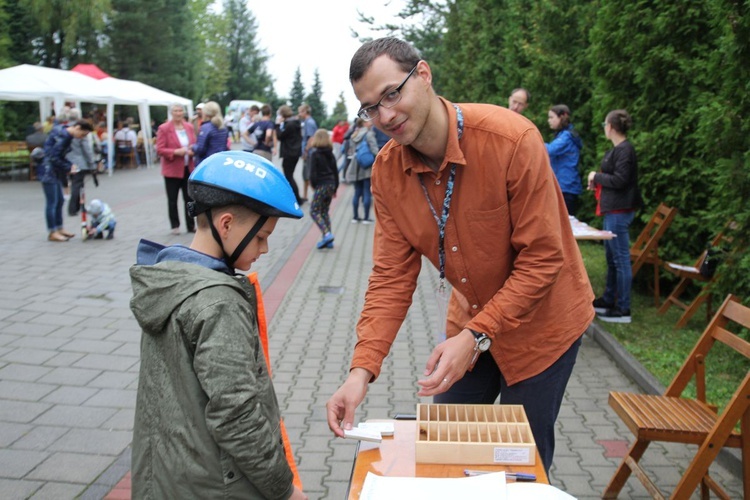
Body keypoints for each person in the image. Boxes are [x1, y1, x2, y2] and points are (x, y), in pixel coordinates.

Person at [325, 37, 594, 475]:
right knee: (445, 447)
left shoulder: (511, 139)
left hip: (544, 326)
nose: (385, 115)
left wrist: (475, 336)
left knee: (518, 463)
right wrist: (361, 371)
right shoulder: (388, 172)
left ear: (424, 75)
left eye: (392, 93)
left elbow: (544, 260)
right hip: (472, 324)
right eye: (370, 107)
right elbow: (391, 277)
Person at [130, 151, 307, 500]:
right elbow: (236, 415)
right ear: (225, 224)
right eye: (260, 237)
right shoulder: (217, 302)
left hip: (168, 477)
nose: (266, 248)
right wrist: (284, 490)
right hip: (215, 486)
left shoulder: (171, 279)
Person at [588, 110, 642, 324]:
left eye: (604, 124)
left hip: (620, 212)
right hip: (612, 210)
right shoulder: (618, 150)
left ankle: (623, 309)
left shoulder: (625, 150)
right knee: (612, 259)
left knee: (620, 260)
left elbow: (620, 180)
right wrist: (598, 180)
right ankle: (609, 300)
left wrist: (596, 176)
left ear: (610, 126)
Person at [39, 120, 94, 241]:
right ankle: (52, 231)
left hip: (55, 171)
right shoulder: (64, 136)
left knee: (59, 201)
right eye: (83, 134)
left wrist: (69, 165)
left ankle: (59, 228)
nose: (81, 137)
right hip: (48, 171)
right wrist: (68, 166)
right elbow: (53, 157)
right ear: (77, 127)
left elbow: (58, 156)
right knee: (52, 202)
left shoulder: (64, 132)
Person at [156, 103, 197, 235]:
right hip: (172, 169)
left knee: (189, 198)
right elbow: (160, 149)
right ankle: (175, 225)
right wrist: (175, 152)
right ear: (171, 113)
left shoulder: (189, 127)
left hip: (187, 167)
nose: (178, 113)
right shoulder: (164, 128)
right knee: (172, 199)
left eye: (180, 111)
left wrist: (192, 151)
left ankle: (191, 225)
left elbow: (194, 143)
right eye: (175, 111)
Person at [545, 104, 583, 216]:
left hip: (566, 187)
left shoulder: (566, 136)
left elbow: (550, 150)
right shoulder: (563, 135)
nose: (549, 121)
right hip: (564, 187)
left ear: (561, 117)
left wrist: (534, 140)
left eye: (552, 117)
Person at [309, 129, 339, 249]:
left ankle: (327, 234)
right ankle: (328, 240)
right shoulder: (330, 153)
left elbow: (312, 173)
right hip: (331, 184)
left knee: (314, 211)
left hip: (321, 185)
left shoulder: (315, 153)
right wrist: (335, 187)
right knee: (324, 211)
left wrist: (314, 185)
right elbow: (335, 171)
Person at [344, 119, 377, 224]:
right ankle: (366, 218)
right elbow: (375, 150)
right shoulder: (369, 134)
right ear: (363, 123)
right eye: (368, 121)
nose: (371, 123)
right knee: (367, 191)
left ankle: (355, 217)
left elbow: (351, 151)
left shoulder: (354, 135)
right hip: (366, 166)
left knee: (357, 192)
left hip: (355, 166)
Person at [66, 123, 98, 216]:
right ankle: (73, 208)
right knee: (77, 186)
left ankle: (77, 206)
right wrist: (92, 164)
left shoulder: (68, 134)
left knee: (74, 184)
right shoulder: (81, 136)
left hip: (68, 162)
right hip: (80, 163)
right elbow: (87, 151)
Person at [275, 105, 304, 205]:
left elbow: (280, 136)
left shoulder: (289, 124)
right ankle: (296, 197)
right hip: (295, 153)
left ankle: (297, 199)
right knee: (290, 175)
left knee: (289, 176)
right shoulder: (295, 123)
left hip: (289, 153)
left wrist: (277, 125)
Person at [191, 101, 229, 167]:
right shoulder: (223, 127)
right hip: (220, 161)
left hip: (207, 162)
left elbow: (200, 149)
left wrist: (192, 147)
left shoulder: (206, 127)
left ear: (205, 113)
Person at [298, 104, 318, 202]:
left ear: (305, 112)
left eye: (300, 111)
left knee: (308, 175)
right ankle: (305, 195)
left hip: (309, 153)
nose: (299, 114)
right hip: (308, 153)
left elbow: (311, 138)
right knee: (305, 175)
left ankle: (317, 196)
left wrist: (306, 151)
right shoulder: (307, 122)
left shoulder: (309, 122)